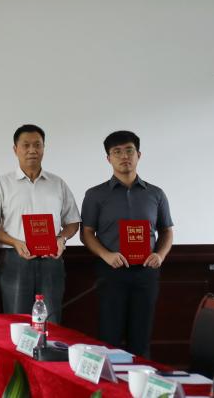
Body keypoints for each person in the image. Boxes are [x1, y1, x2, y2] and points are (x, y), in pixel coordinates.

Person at [81, 130, 174, 358]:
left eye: (129, 150)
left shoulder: (156, 194)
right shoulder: (95, 195)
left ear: (138, 155)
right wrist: (106, 255)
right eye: (117, 152)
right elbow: (86, 233)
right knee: (109, 338)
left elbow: (166, 230)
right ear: (108, 158)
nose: (124, 156)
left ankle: (141, 380)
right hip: (111, 272)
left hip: (146, 272)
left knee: (141, 339)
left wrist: (160, 255)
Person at [0, 124, 81, 324]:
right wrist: (15, 242)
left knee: (52, 321)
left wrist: (61, 238)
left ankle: (49, 347)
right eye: (26, 145)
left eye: (37, 145)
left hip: (51, 259)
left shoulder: (57, 183)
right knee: (17, 320)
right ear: (15, 149)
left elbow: (73, 221)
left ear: (44, 148)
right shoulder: (2, 184)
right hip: (15, 259)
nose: (32, 150)